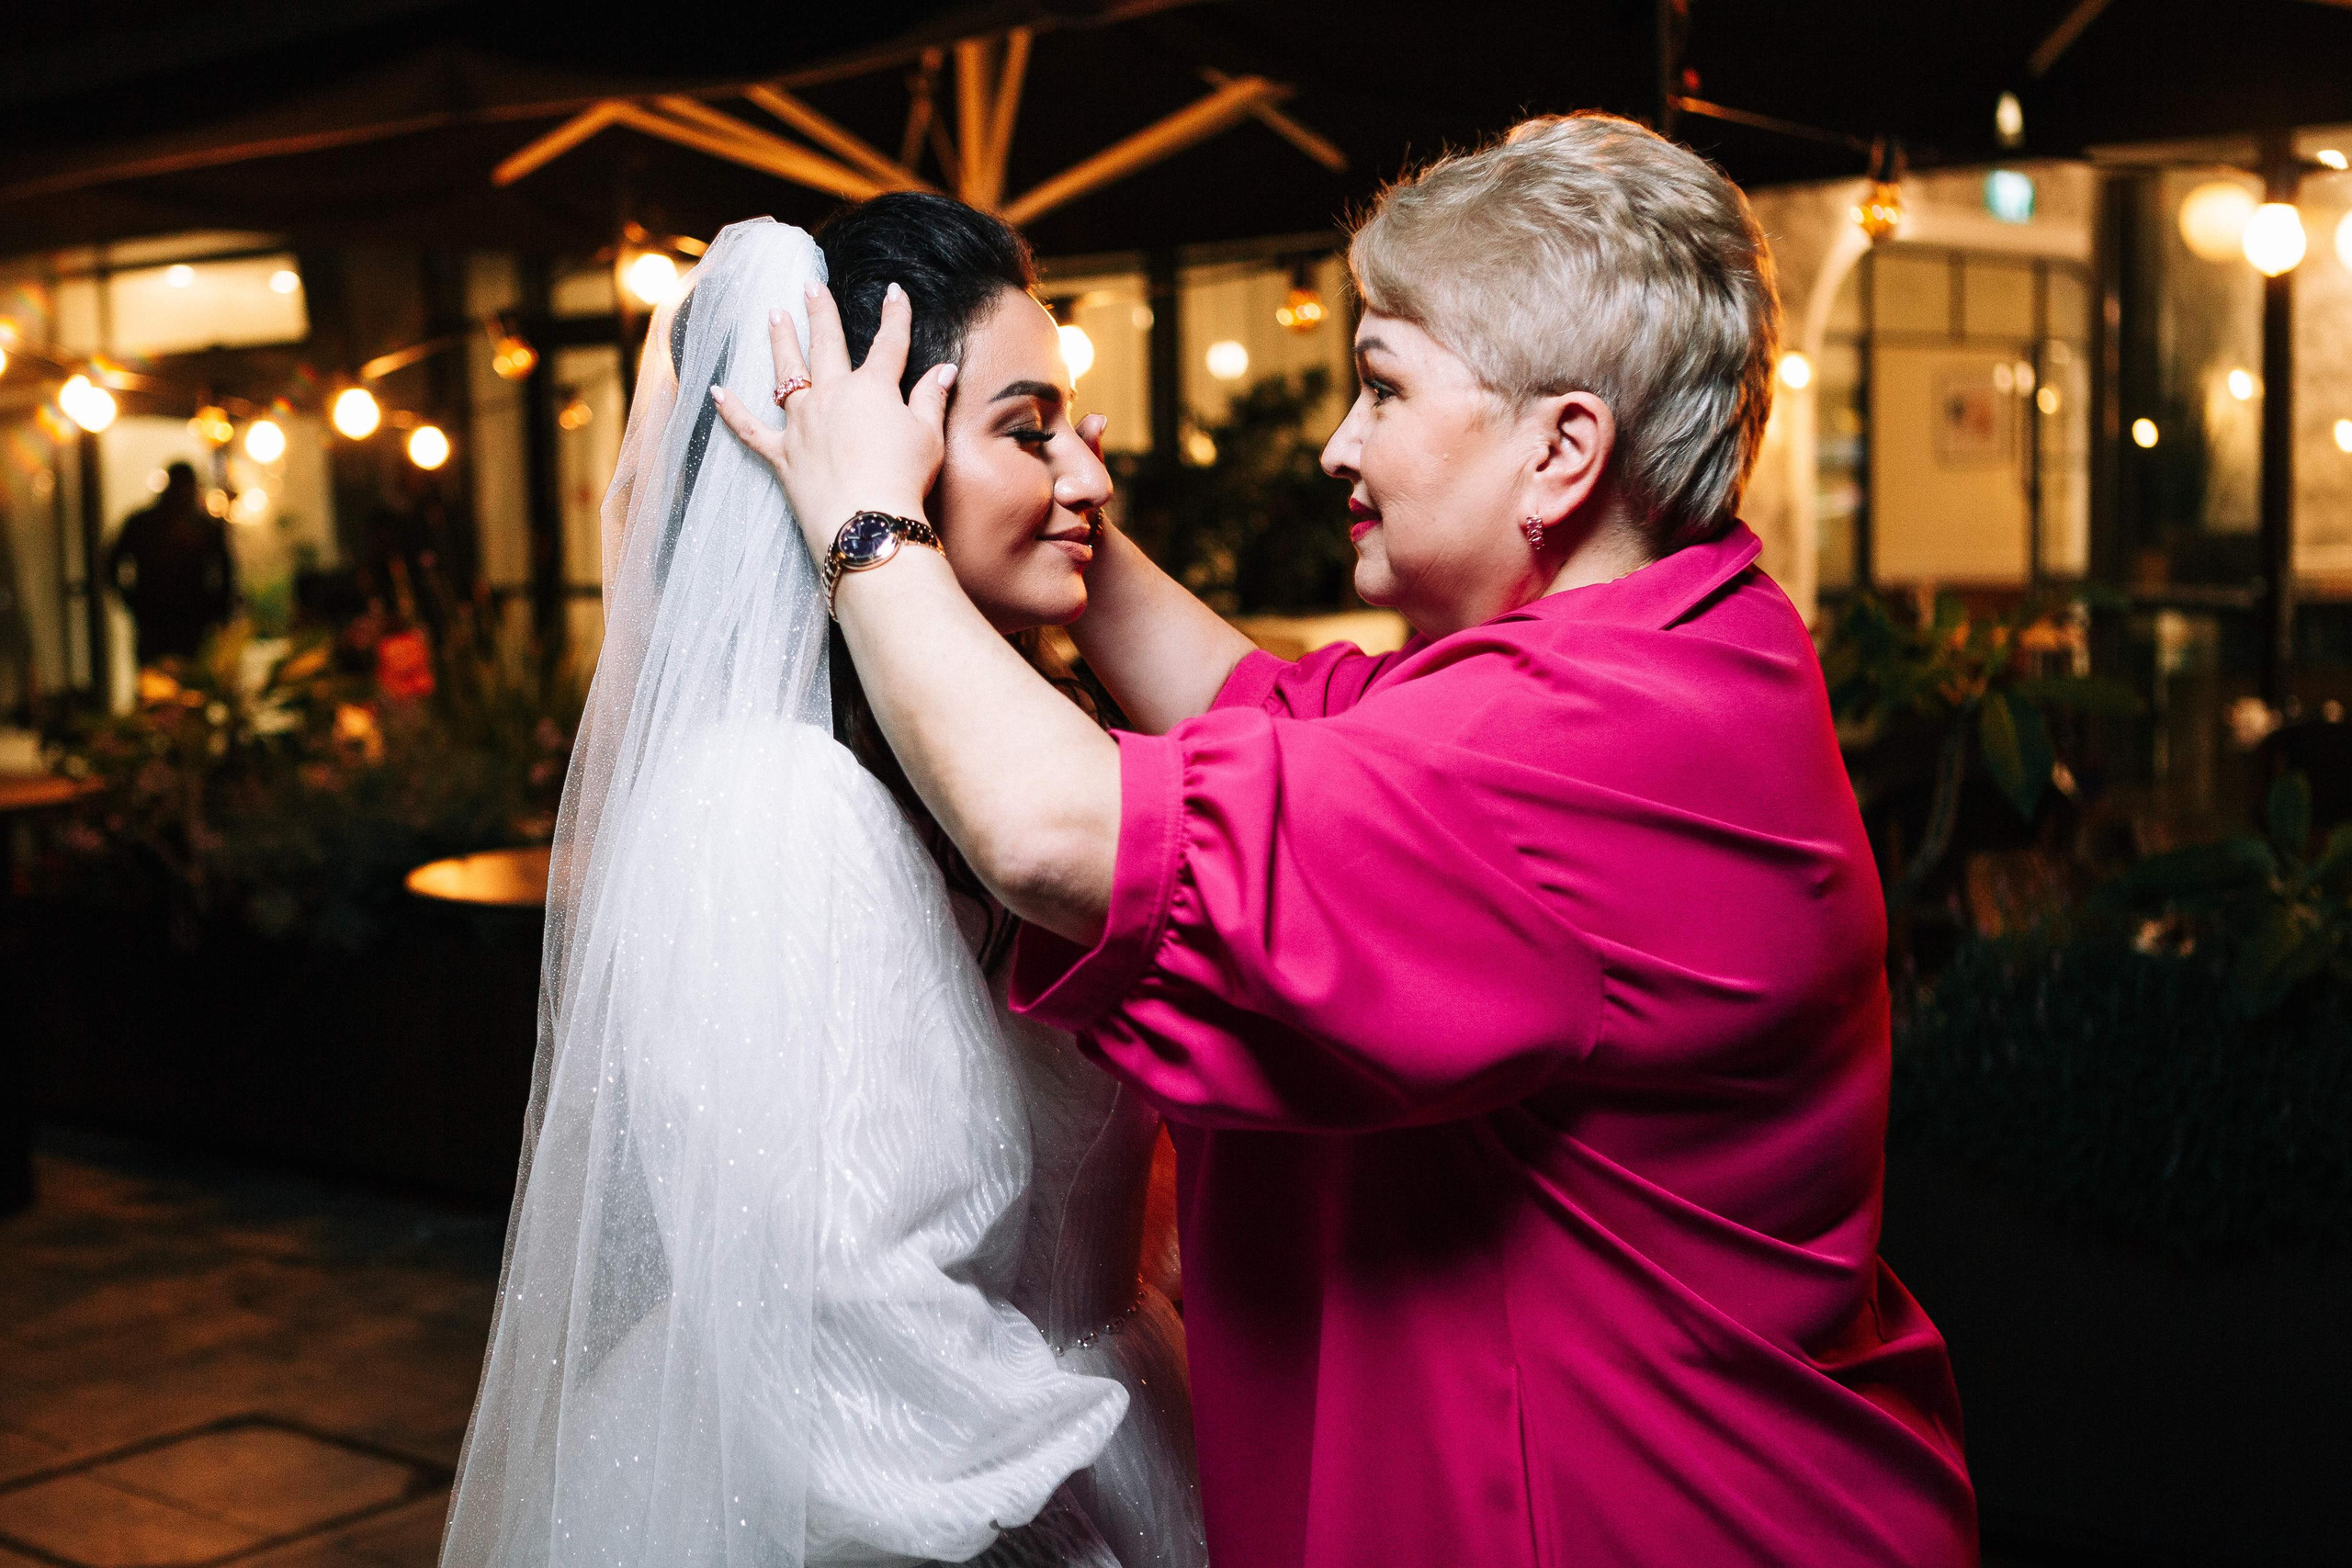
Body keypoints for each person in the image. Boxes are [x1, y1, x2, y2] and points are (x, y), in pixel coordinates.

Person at [714, 113, 1978, 1566]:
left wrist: (871, 519)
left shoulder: (1573, 754)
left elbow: (1055, 831)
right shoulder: (1685, 648)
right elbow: (1290, 728)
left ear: (1563, 448)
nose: (1338, 443)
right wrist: (1062, 499)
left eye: (1381, 389)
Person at [441, 209, 1204, 1568]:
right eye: (1028, 428)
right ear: (878, 455)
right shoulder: (772, 808)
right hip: (946, 1479)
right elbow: (841, 1307)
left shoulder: (989, 756)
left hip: (1081, 1400)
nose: (1089, 472)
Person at [106, 461, 234, 663]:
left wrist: (131, 601)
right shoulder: (203, 527)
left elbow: (226, 572)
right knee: (172, 683)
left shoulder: (143, 523)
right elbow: (226, 572)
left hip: (170, 621)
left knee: (158, 683)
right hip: (177, 621)